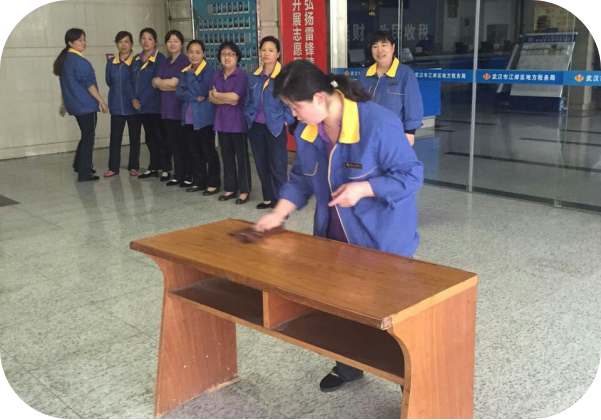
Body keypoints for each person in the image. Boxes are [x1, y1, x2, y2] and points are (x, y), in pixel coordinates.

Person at [255, 60, 423, 392]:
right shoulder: (308, 131)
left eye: (296, 107)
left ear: (319, 98)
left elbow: (411, 176)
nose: (293, 115)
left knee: (390, 314)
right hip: (334, 237)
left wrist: (366, 188)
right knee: (342, 307)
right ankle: (347, 366)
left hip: (382, 238)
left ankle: (412, 378)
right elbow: (301, 179)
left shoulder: (378, 123)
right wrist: (279, 213)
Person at [245, 36, 294, 210]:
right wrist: (248, 115)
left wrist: (286, 121)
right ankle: (268, 198)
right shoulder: (254, 77)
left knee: (278, 166)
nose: (266, 53)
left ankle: (281, 203)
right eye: (263, 50)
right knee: (261, 163)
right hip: (256, 126)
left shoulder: (284, 77)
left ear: (278, 53)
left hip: (275, 127)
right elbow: (247, 100)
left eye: (271, 50)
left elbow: (291, 103)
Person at [54, 28, 108, 182]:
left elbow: (65, 85)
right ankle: (84, 173)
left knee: (85, 135)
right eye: (79, 40)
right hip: (85, 105)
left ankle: (79, 164)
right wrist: (102, 102)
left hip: (74, 105)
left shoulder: (65, 60)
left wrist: (64, 104)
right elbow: (89, 85)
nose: (83, 43)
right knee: (88, 137)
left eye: (84, 39)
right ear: (70, 43)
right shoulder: (80, 62)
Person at [357, 31, 423, 146]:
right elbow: (357, 105)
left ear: (393, 48)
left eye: (384, 45)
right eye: (375, 46)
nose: (379, 50)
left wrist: (410, 132)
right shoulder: (364, 75)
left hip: (395, 135)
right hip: (367, 135)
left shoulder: (405, 74)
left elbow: (413, 104)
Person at [175, 40, 221, 195]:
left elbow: (202, 91)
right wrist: (194, 97)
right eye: (191, 52)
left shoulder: (208, 71)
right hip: (188, 117)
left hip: (204, 118)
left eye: (197, 52)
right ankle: (200, 181)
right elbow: (179, 92)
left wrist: (191, 80)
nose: (194, 55)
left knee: (208, 151)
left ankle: (214, 182)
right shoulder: (185, 70)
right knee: (194, 152)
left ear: (203, 54)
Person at [209, 42, 250, 205]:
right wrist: (223, 97)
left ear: (237, 57)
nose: (227, 57)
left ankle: (244, 190)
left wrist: (219, 95)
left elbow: (235, 98)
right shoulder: (216, 75)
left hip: (238, 123)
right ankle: (230, 188)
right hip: (221, 122)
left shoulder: (242, 76)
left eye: (231, 54)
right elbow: (211, 98)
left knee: (241, 157)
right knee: (226, 156)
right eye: (223, 54)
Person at [153, 30, 190, 186]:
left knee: (184, 144)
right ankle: (178, 174)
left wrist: (164, 84)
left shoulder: (184, 61)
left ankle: (188, 174)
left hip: (179, 109)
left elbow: (175, 83)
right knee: (173, 144)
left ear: (181, 43)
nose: (172, 44)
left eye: (176, 41)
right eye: (169, 41)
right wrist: (166, 84)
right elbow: (155, 82)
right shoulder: (165, 61)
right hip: (167, 110)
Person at [132, 28, 168, 180]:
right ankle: (153, 166)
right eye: (143, 38)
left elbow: (156, 84)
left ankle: (165, 168)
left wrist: (142, 101)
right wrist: (133, 99)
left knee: (161, 138)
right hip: (141, 107)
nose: (146, 41)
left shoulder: (160, 59)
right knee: (149, 138)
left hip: (155, 106)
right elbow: (130, 81)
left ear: (155, 42)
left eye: (150, 39)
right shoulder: (135, 59)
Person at [104, 31, 140, 177]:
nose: (123, 45)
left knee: (135, 137)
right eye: (120, 42)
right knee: (115, 138)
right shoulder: (111, 63)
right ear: (116, 44)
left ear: (132, 44)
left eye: (126, 42)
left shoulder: (137, 62)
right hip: (116, 106)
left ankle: (134, 166)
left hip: (133, 107)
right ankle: (113, 167)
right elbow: (109, 81)